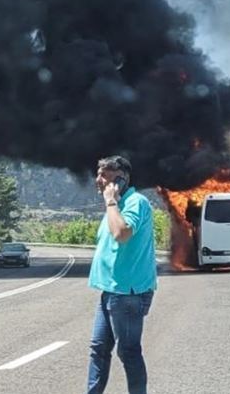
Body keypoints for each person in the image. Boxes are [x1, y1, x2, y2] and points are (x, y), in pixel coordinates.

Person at [87, 155, 157, 394]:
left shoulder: (135, 202)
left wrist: (111, 202)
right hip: (111, 291)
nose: (98, 180)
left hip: (128, 292)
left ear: (121, 180)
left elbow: (122, 234)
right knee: (98, 349)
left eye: (104, 176)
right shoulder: (118, 206)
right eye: (98, 174)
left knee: (128, 351)